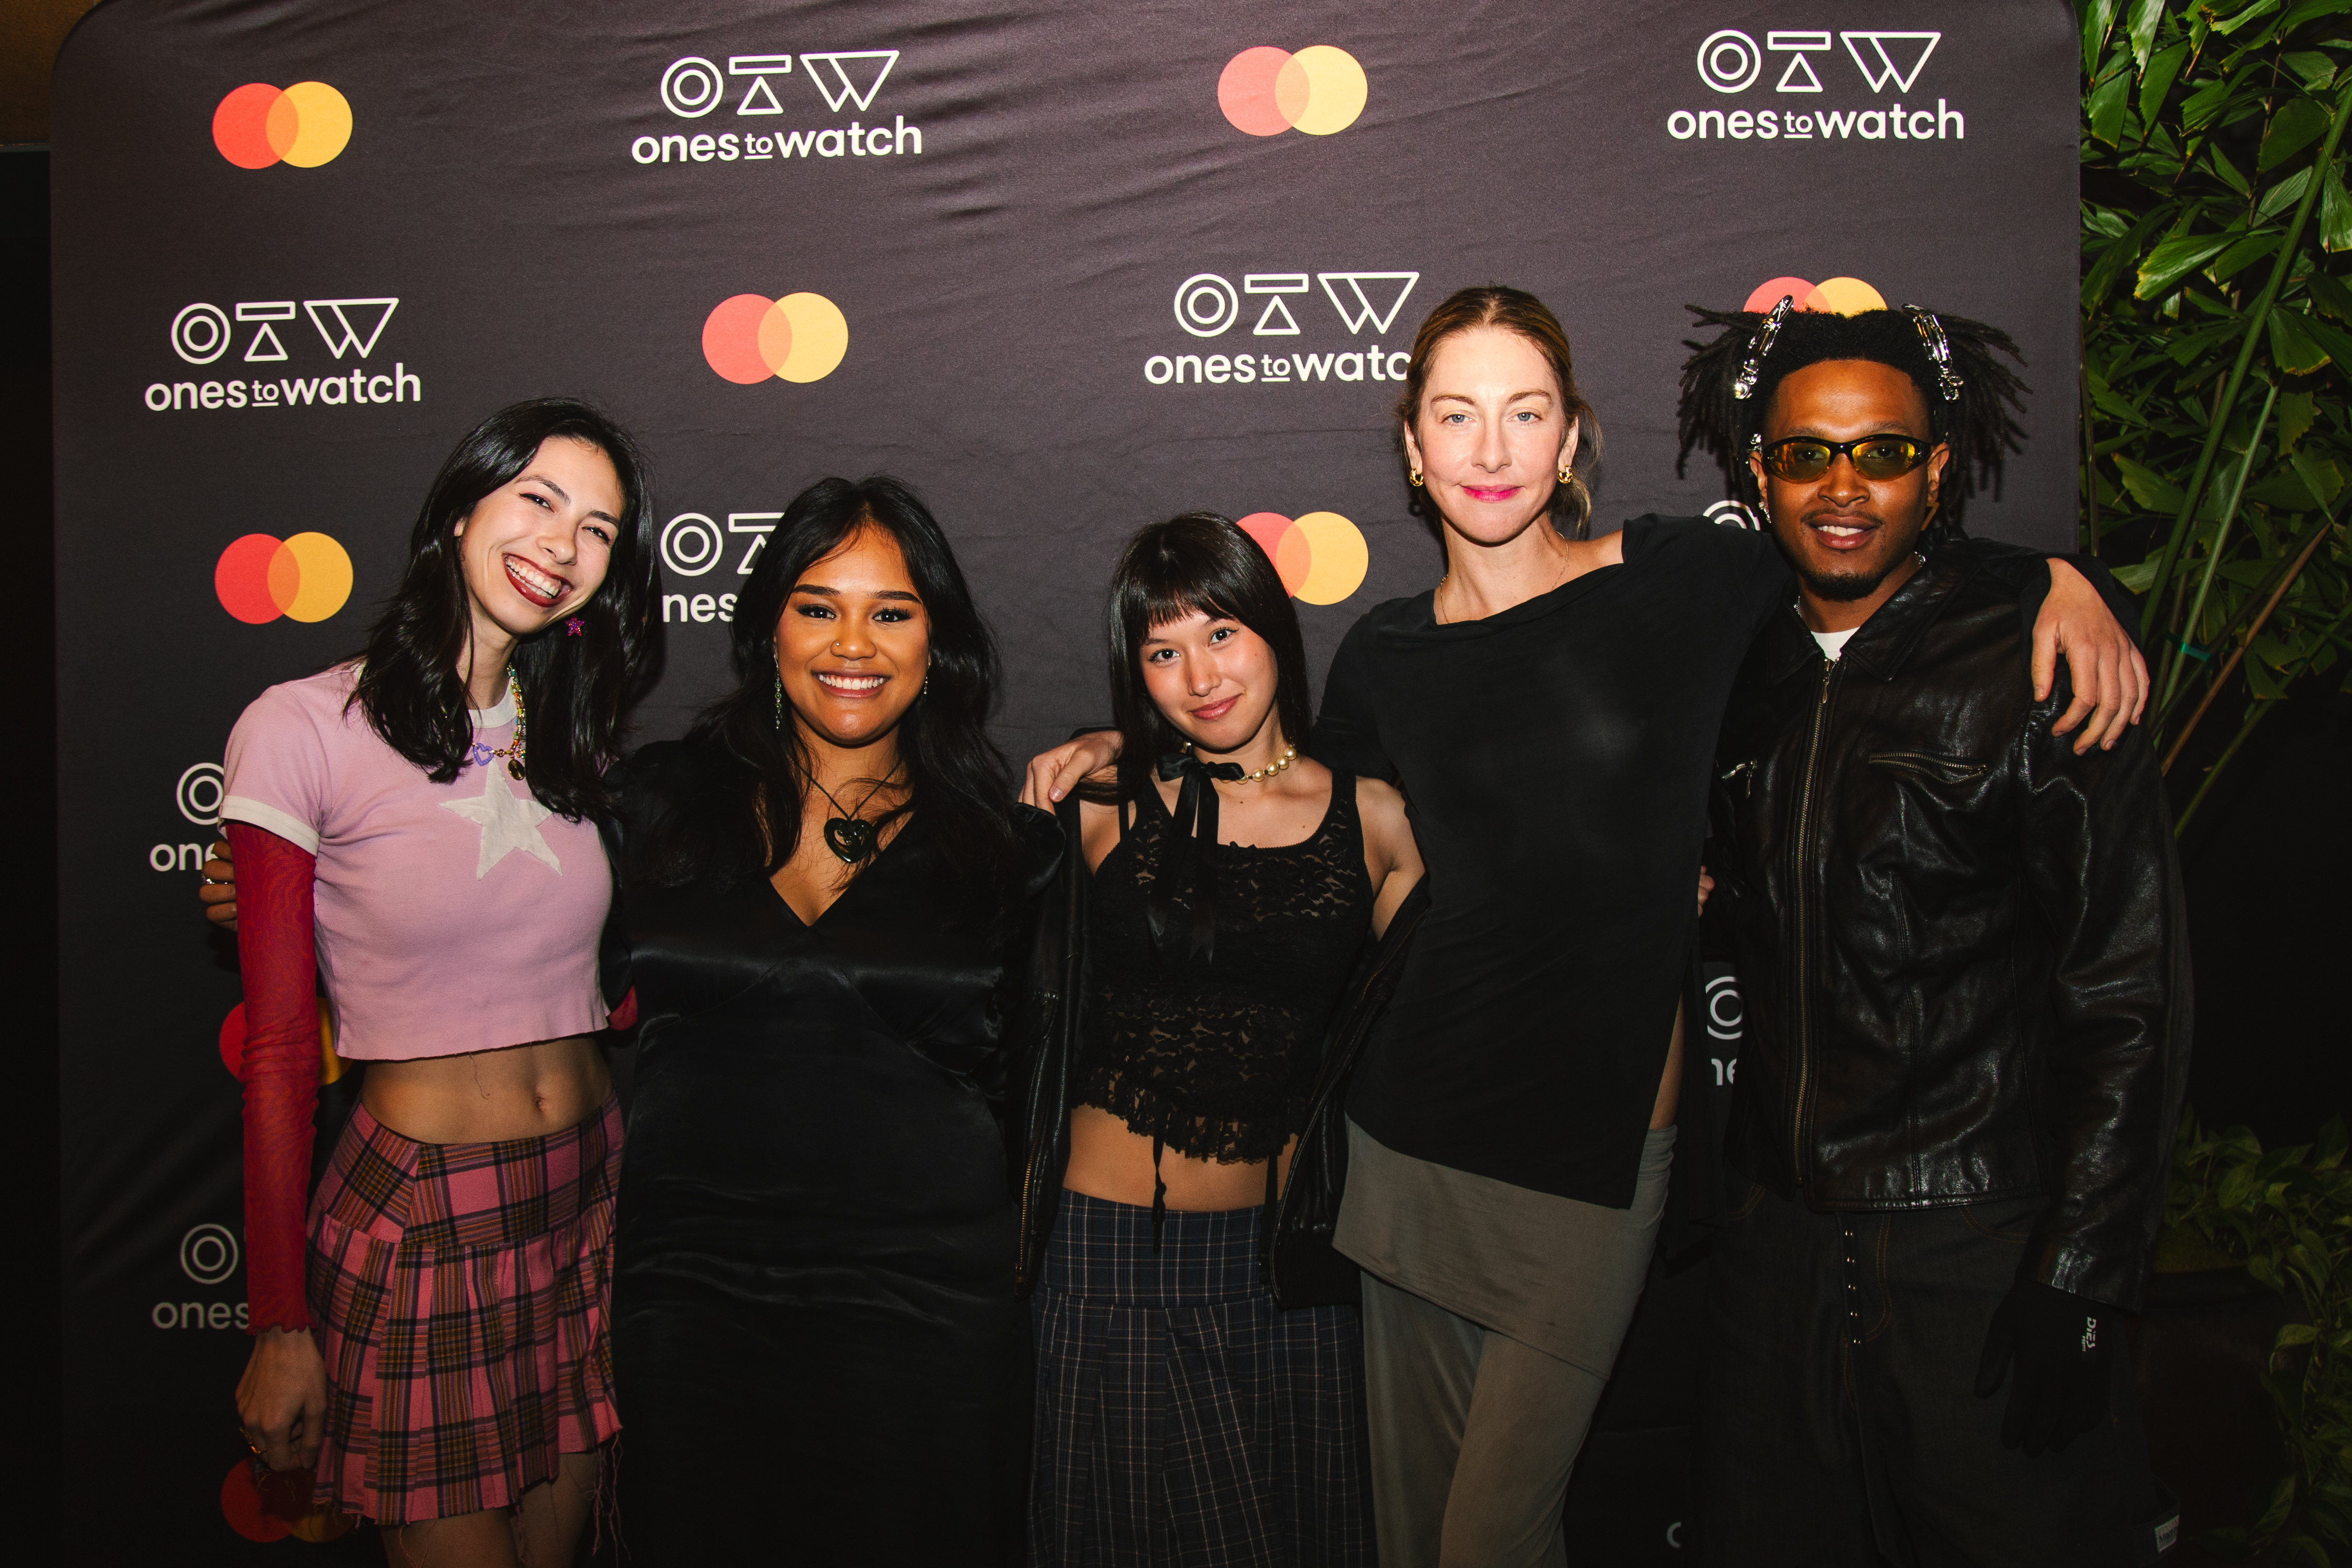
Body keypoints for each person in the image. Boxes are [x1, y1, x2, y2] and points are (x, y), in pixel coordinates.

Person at [1022, 286, 2147, 1568]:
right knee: (1415, 1541)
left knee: (1495, 1538)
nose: (1491, 450)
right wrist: (1136, 740)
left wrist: (2057, 577)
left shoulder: (1679, 579)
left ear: (1570, 438)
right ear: (1411, 445)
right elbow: (1290, 800)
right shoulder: (1384, 654)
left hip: (1595, 1162)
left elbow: (1856, 534)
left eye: (1524, 413)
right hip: (1406, 1148)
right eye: (1457, 415)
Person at [1679, 302, 2188, 1565]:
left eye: (1885, 453)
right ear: (1759, 472)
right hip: (1777, 1248)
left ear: (1940, 467)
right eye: (1806, 455)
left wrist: (2084, 1269)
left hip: (1978, 1238)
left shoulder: (2040, 657)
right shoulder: (1735, 666)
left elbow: (2128, 988)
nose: (1843, 487)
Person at [216, 398, 661, 1565]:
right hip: (421, 1221)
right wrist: (278, 1322)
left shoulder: (578, 743)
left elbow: (610, 980)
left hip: (583, 1201)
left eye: (601, 530)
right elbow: (274, 1053)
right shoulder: (300, 727)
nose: (564, 546)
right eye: (539, 500)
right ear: (463, 506)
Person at [599, 476, 1060, 1563]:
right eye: (818, 606)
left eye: (891, 612)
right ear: (766, 628)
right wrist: (309, 891)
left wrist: (1130, 749)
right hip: (693, 1301)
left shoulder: (1009, 848)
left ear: (936, 641)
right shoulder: (650, 804)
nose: (853, 642)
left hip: (930, 1316)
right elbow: (477, 912)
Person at [1018, 513, 1423, 1565]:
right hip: (1113, 1258)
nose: (1199, 674)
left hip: (1286, 1271)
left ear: (1277, 633)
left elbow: (1457, 1000)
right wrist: (1110, 754)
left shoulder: (1374, 820)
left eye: (1221, 634)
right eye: (1162, 651)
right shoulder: (1099, 807)